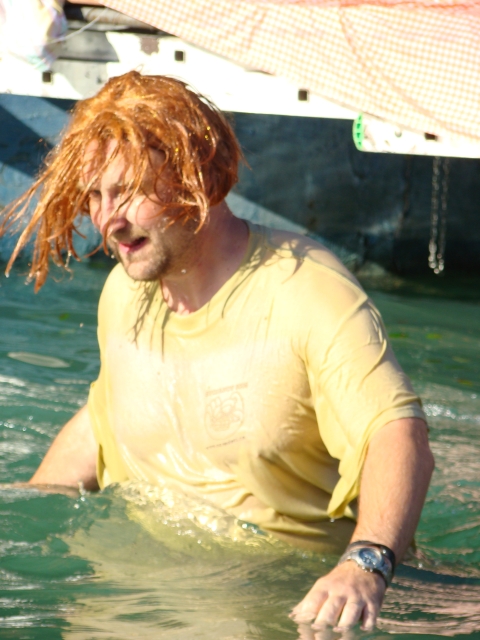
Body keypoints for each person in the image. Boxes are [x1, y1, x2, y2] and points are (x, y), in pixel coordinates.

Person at [2, 71, 434, 634]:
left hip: (285, 607)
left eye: (127, 191)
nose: (109, 220)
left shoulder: (305, 290)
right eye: (96, 195)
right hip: (130, 605)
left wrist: (365, 566)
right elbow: (107, 416)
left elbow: (396, 433)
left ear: (197, 177)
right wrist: (24, 508)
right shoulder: (125, 293)